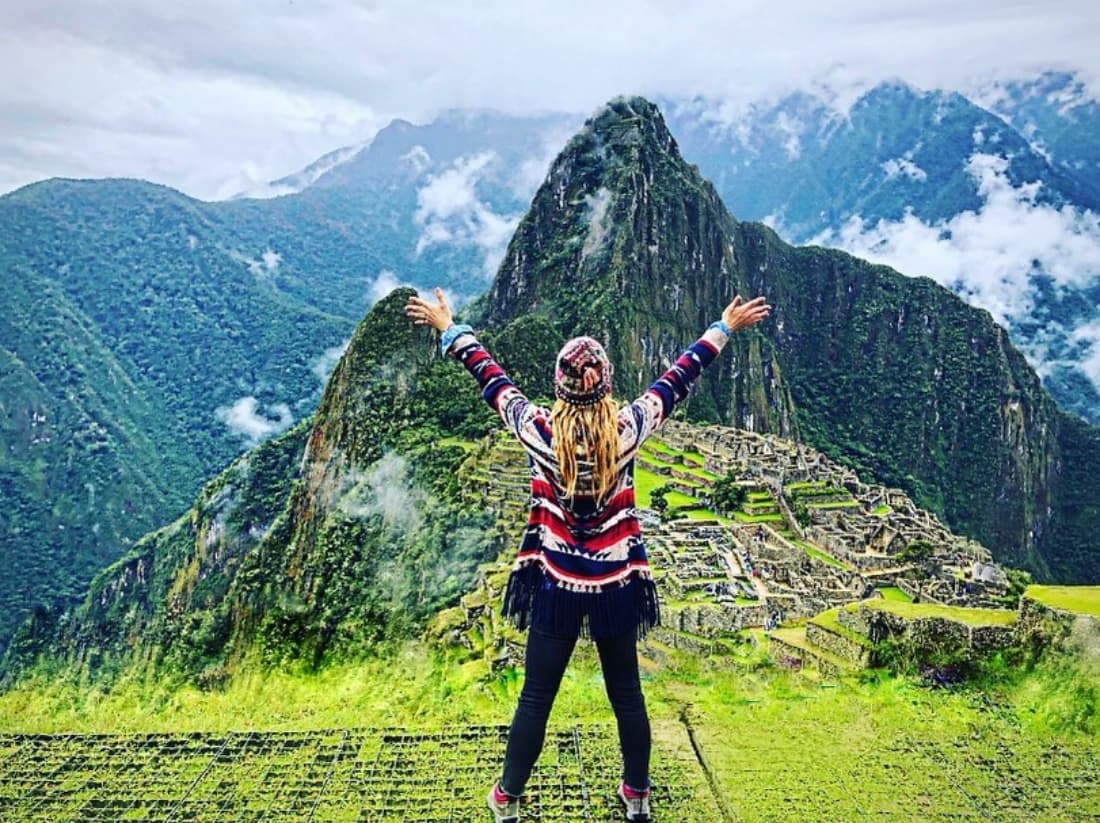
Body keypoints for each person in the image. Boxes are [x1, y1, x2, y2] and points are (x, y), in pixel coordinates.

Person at [405, 288, 771, 823]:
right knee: (627, 694)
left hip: (556, 581)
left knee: (536, 697)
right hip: (616, 584)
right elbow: (677, 378)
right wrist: (724, 327)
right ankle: (637, 795)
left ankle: (507, 798)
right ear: (606, 384)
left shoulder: (538, 430)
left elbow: (490, 376)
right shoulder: (627, 430)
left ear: (560, 386)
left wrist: (448, 327)